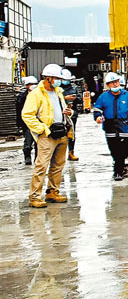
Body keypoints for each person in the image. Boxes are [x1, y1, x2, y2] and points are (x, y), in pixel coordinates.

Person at [21, 64, 73, 208]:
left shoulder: (58, 92)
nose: (59, 81)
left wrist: (69, 113)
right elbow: (27, 115)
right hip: (47, 135)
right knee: (41, 166)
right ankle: (35, 196)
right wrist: (42, 129)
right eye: (56, 78)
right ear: (48, 78)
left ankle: (52, 192)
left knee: (58, 166)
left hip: (61, 132)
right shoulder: (36, 94)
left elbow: (60, 110)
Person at [93, 72, 128, 181]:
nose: (115, 85)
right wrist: (98, 117)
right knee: (114, 150)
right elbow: (97, 109)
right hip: (110, 126)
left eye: (116, 82)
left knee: (123, 149)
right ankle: (118, 166)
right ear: (108, 85)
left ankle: (118, 171)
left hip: (124, 126)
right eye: (112, 83)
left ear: (119, 82)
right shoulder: (103, 97)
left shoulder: (127, 96)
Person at [59, 69, 82, 161]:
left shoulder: (74, 88)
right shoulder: (57, 89)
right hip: (60, 114)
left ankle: (71, 153)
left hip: (72, 114)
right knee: (60, 135)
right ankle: (60, 155)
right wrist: (64, 98)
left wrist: (75, 98)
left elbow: (80, 100)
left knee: (71, 134)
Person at [16, 75, 39, 166]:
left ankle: (38, 159)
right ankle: (27, 157)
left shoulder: (40, 95)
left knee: (38, 144)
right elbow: (19, 111)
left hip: (38, 123)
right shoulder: (22, 97)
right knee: (28, 143)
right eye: (31, 84)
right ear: (27, 86)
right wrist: (20, 124)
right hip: (28, 124)